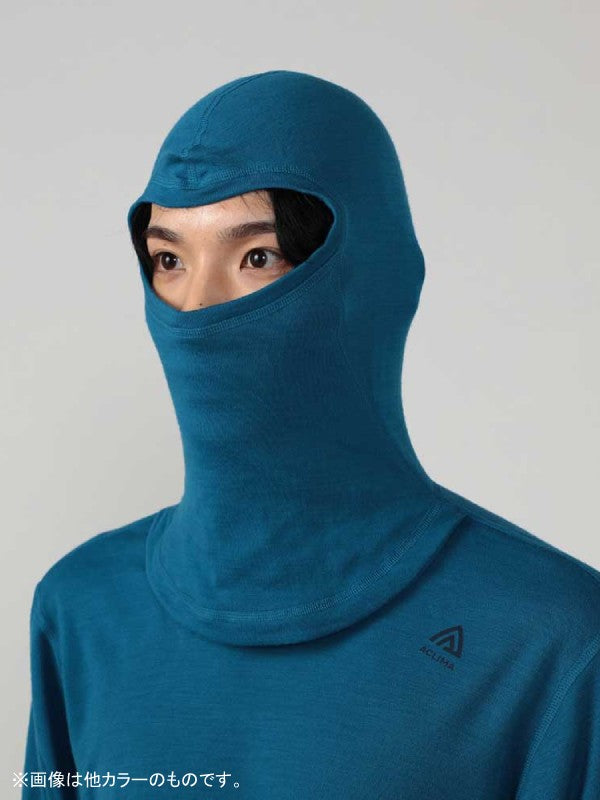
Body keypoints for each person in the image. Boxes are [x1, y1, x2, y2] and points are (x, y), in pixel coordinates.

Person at [21, 69, 600, 799]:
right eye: (169, 260)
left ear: (372, 278)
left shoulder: (552, 642)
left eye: (257, 257)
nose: (197, 307)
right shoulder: (81, 610)